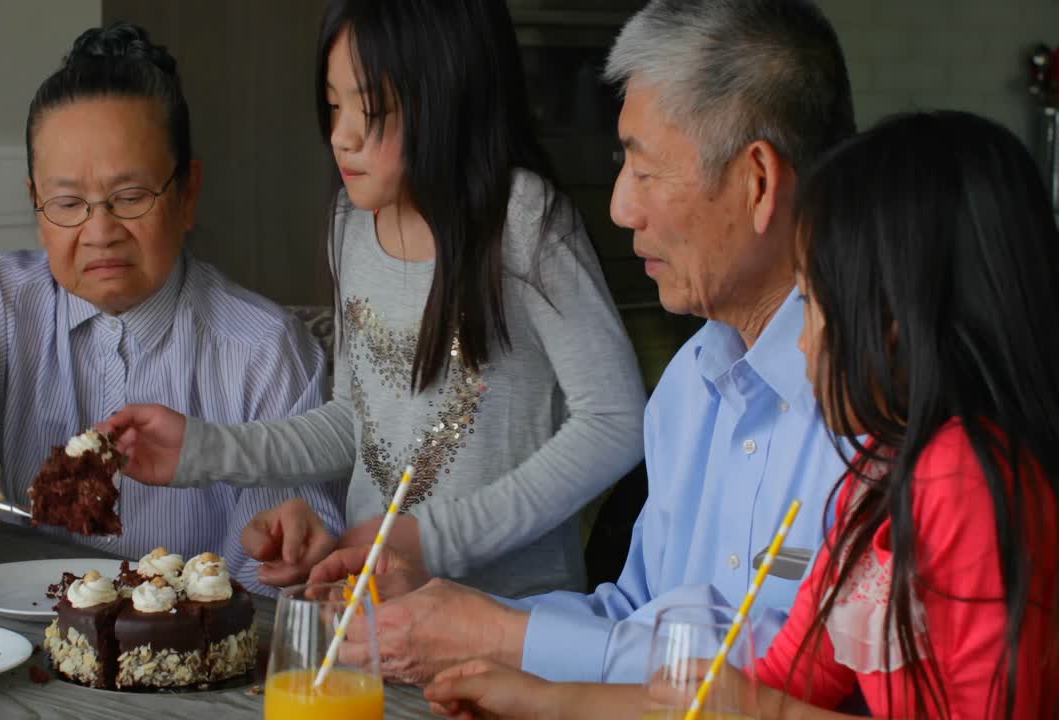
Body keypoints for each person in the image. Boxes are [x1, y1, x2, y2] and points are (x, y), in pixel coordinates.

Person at [425, 110, 1059, 720]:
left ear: (897, 324)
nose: (803, 340)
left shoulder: (964, 477)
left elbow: (764, 702)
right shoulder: (878, 481)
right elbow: (772, 680)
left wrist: (766, 710)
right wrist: (545, 702)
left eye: (814, 300)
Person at [306, 0, 857, 685]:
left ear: (758, 181)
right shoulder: (690, 386)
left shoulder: (877, 406)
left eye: (646, 172)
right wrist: (466, 629)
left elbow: (806, 668)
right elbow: (633, 614)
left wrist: (501, 634)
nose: (621, 207)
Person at [98, 0, 647, 599]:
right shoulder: (350, 224)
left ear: (451, 93)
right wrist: (203, 448)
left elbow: (616, 423)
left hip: (506, 625)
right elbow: (357, 422)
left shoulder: (522, 219)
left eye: (373, 108)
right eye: (334, 106)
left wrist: (431, 538)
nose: (342, 135)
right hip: (371, 616)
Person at [0, 23, 346, 594]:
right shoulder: (0, 300)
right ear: (35, 204)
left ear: (188, 193)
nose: (99, 232)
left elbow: (287, 545)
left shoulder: (264, 349)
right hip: (7, 629)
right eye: (67, 202)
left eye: (130, 197)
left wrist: (284, 547)